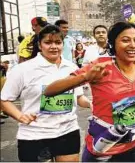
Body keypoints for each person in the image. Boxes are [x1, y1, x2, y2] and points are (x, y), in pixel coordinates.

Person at [43, 22, 135, 162]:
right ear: (113, 44)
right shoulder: (101, 66)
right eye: (125, 40)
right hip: (103, 149)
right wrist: (84, 77)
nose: (133, 45)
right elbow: (49, 91)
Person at [0, 25, 91, 162]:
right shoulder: (23, 70)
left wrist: (90, 103)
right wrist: (20, 116)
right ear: (40, 45)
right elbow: (4, 100)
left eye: (58, 42)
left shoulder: (71, 68)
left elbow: (78, 97)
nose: (53, 46)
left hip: (68, 131)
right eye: (48, 42)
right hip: (34, 134)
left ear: (63, 44)